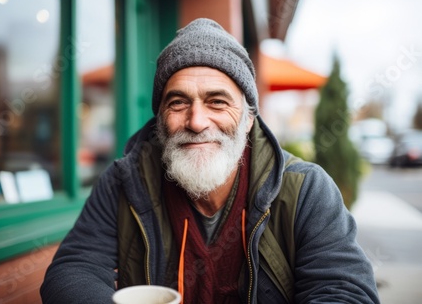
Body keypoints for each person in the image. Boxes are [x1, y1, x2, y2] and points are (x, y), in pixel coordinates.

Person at [41, 18, 380, 304]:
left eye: (217, 102)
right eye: (177, 103)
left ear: (248, 119)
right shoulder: (124, 181)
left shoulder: (306, 189)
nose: (197, 121)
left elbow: (345, 291)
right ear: (160, 120)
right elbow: (72, 270)